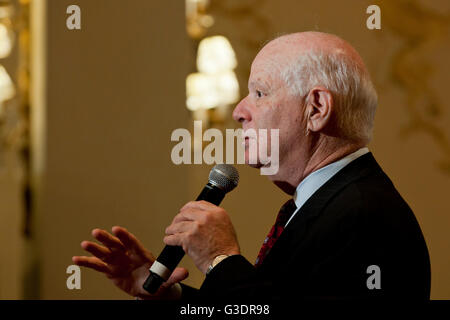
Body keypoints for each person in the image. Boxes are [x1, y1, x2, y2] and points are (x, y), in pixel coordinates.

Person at [72, 31, 431, 300]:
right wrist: (174, 298)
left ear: (317, 109)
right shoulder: (331, 202)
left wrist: (220, 259)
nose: (239, 111)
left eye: (259, 93)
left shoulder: (365, 217)